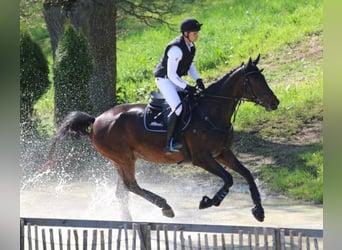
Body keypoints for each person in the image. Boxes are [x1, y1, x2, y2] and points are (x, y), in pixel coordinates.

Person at [154, 18, 205, 153]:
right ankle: (170, 142)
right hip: (165, 80)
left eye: (197, 33)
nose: (197, 35)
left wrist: (198, 80)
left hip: (174, 80)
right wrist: (186, 87)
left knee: (194, 100)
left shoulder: (191, 46)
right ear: (185, 33)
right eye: (194, 33)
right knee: (178, 107)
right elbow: (171, 75)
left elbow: (190, 66)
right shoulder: (176, 49)